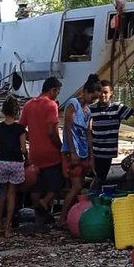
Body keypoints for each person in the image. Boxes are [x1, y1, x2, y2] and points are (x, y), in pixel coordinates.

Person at [88, 79, 134, 190]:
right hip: (94, 150)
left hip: (107, 151)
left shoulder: (117, 108)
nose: (103, 95)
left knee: (100, 177)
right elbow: (87, 127)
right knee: (97, 176)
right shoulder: (92, 109)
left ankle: (93, 194)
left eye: (106, 92)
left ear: (112, 93)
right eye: (101, 92)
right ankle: (91, 195)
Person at [59, 75, 103, 226]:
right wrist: (72, 151)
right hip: (73, 151)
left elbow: (88, 133)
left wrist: (91, 156)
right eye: (92, 96)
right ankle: (62, 218)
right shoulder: (73, 104)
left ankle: (73, 216)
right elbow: (68, 128)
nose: (93, 100)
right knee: (76, 185)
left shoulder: (88, 111)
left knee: (79, 186)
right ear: (85, 91)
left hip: (83, 151)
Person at [20, 77, 63, 223]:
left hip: (35, 153)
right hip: (50, 153)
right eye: (57, 92)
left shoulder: (28, 105)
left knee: (37, 186)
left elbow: (20, 128)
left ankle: (37, 214)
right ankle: (45, 203)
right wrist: (61, 147)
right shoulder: (51, 105)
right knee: (57, 181)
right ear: (53, 90)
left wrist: (31, 138)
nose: (57, 95)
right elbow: (52, 131)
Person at [0, 96, 27, 237]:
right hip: (16, 162)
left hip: (2, 162)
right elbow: (23, 148)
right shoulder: (20, 128)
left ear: (3, 111)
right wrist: (27, 159)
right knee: (12, 194)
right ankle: (8, 228)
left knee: (3, 194)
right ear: (16, 111)